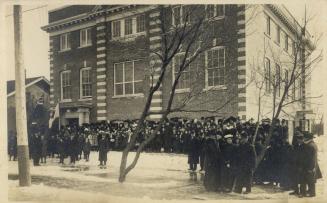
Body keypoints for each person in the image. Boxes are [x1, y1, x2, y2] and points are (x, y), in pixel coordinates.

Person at [299, 132, 322, 197]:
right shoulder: (313, 144)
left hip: (309, 166)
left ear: (307, 138)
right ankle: (310, 193)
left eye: (304, 137)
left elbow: (310, 158)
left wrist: (310, 168)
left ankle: (308, 193)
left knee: (307, 180)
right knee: (310, 180)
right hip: (312, 165)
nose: (303, 139)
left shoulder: (309, 146)